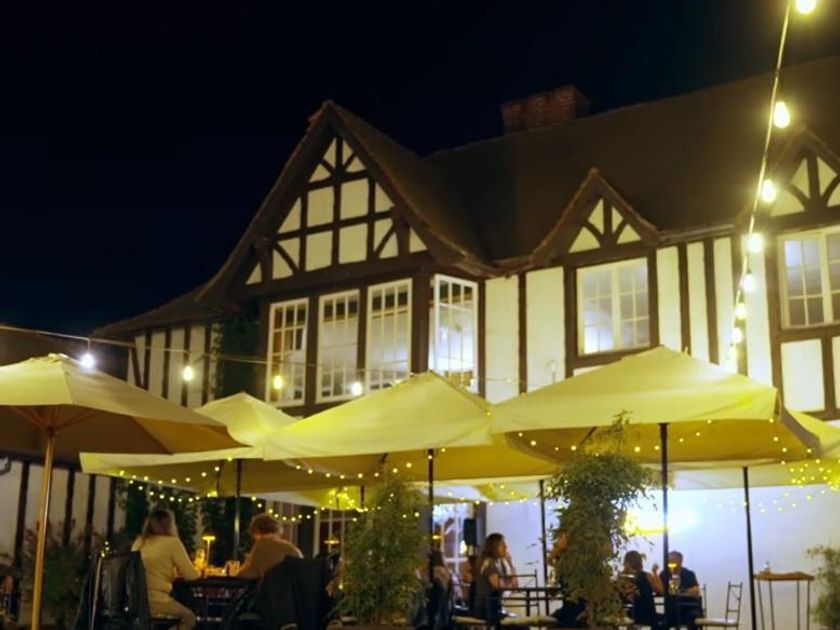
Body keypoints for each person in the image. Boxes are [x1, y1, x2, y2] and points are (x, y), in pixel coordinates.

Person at [131, 508, 199, 630]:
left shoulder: (139, 542)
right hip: (157, 601)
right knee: (189, 618)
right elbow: (191, 576)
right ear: (171, 525)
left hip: (135, 602)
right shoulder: (172, 543)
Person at [237, 513, 303, 580]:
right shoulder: (291, 547)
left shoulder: (262, 544)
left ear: (257, 530)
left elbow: (246, 574)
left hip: (272, 585)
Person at [620, 551, 663, 627]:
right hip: (647, 615)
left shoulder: (621, 578)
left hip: (627, 614)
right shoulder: (647, 576)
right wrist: (655, 572)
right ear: (640, 562)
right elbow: (660, 590)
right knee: (664, 618)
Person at [472, 533, 509, 623]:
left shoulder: (499, 563)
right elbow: (499, 586)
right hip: (486, 608)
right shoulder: (489, 563)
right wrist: (508, 585)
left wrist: (510, 564)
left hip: (494, 606)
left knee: (516, 622)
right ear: (494, 547)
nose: (506, 547)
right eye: (502, 544)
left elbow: (513, 585)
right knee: (517, 625)